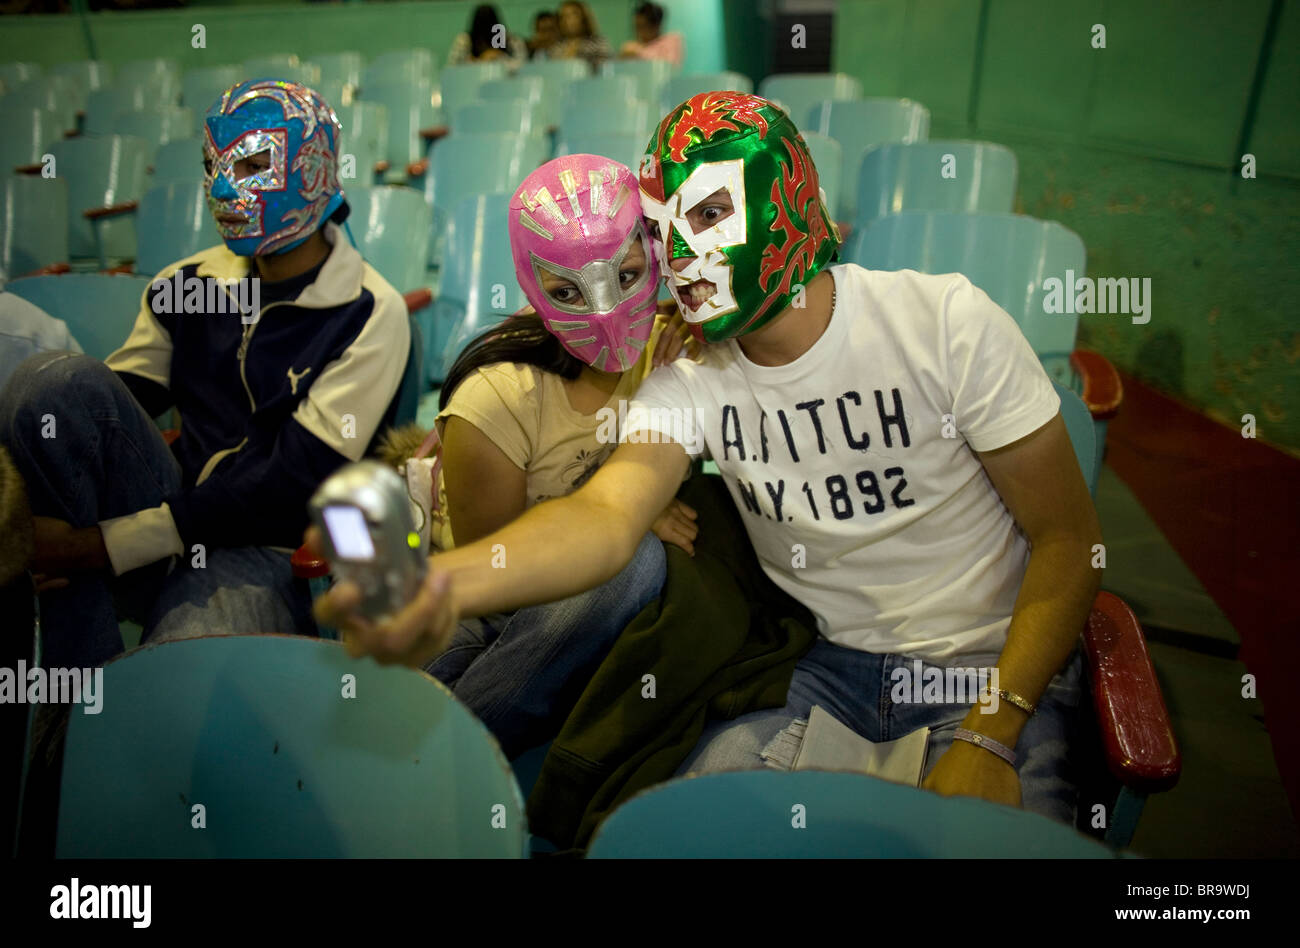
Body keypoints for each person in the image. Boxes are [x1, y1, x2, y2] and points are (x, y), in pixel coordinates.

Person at [316, 92, 1102, 826]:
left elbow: (1068, 541)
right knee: (687, 833)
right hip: (824, 674)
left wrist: (992, 733)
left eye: (713, 212)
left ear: (785, 200)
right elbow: (603, 516)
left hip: (990, 674)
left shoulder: (943, 324)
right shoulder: (690, 381)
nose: (683, 253)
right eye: (660, 231)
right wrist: (443, 580)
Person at [0, 78, 409, 670]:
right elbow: (109, 407)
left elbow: (286, 488)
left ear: (314, 166)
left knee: (175, 679)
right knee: (50, 385)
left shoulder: (372, 309)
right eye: (211, 164)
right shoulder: (185, 284)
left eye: (251, 163)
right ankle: (69, 705)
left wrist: (97, 546)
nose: (221, 187)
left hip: (266, 546)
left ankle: (82, 708)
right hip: (168, 515)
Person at [374, 154, 698, 758]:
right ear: (533, 287)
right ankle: (454, 759)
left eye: (626, 276)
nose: (604, 314)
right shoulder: (495, 398)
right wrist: (631, 503)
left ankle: (450, 751)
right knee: (631, 563)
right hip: (480, 592)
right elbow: (496, 568)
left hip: (563, 617)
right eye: (567, 292)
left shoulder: (670, 347)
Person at [446, 4, 528, 69]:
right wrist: (479, 61)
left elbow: (523, 67)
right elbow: (451, 68)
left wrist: (500, 57)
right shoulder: (464, 41)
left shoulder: (511, 41)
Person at [539, 0, 611, 69]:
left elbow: (603, 70)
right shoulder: (555, 47)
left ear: (584, 18)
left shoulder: (598, 43)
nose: (567, 20)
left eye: (572, 15)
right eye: (563, 16)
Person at [619, 2, 683, 68]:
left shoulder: (671, 41)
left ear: (656, 26)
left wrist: (638, 54)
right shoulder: (631, 46)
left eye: (642, 26)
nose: (638, 31)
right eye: (636, 26)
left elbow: (669, 65)